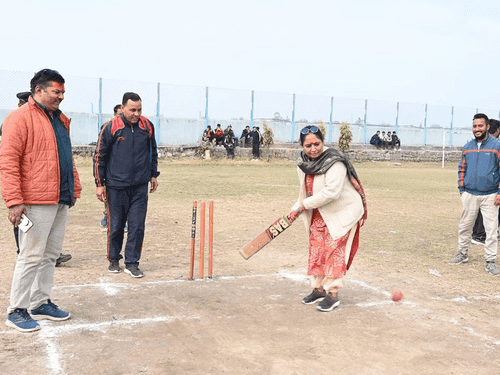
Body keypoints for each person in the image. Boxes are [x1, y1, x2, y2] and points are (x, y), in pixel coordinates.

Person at [0, 69, 82, 332]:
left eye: (63, 93)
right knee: (31, 255)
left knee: (50, 255)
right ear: (38, 90)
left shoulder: (60, 119)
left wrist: (74, 187)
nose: (60, 97)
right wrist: (14, 200)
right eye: (56, 92)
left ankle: (40, 302)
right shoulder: (18, 118)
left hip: (59, 197)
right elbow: (8, 162)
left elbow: (65, 156)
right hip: (35, 201)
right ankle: (17, 309)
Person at [292, 125, 367, 312]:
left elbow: (331, 192)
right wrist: (294, 210)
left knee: (334, 252)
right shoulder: (303, 164)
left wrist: (303, 206)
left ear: (323, 142)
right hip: (320, 212)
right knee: (316, 251)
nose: (313, 149)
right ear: (302, 146)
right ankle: (318, 290)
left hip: (344, 211)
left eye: (317, 144)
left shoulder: (335, 162)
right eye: (308, 145)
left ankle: (332, 294)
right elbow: (306, 193)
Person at [94, 92, 160, 278]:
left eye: (139, 110)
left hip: (139, 186)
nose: (136, 114)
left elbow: (152, 152)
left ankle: (132, 263)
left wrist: (153, 175)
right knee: (116, 226)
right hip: (115, 186)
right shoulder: (111, 127)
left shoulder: (147, 126)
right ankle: (114, 259)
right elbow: (100, 157)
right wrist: (100, 184)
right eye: (132, 110)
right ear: (122, 108)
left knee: (137, 226)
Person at [451, 113, 500, 276]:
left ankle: (490, 261)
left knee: (491, 230)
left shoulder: (496, 146)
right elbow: (462, 168)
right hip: (469, 194)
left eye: (480, 126)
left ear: (487, 127)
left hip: (490, 195)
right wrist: (462, 189)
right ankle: (462, 253)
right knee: (465, 226)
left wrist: (499, 192)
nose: (477, 129)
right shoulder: (468, 147)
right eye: (474, 126)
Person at [470, 118, 500, 245]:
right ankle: (479, 235)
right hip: (489, 184)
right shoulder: (489, 146)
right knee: (486, 210)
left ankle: (480, 234)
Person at [100, 104, 124, 228]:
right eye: (119, 114)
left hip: (122, 171)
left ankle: (122, 222)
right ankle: (107, 216)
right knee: (109, 196)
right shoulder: (108, 127)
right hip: (110, 170)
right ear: (115, 114)